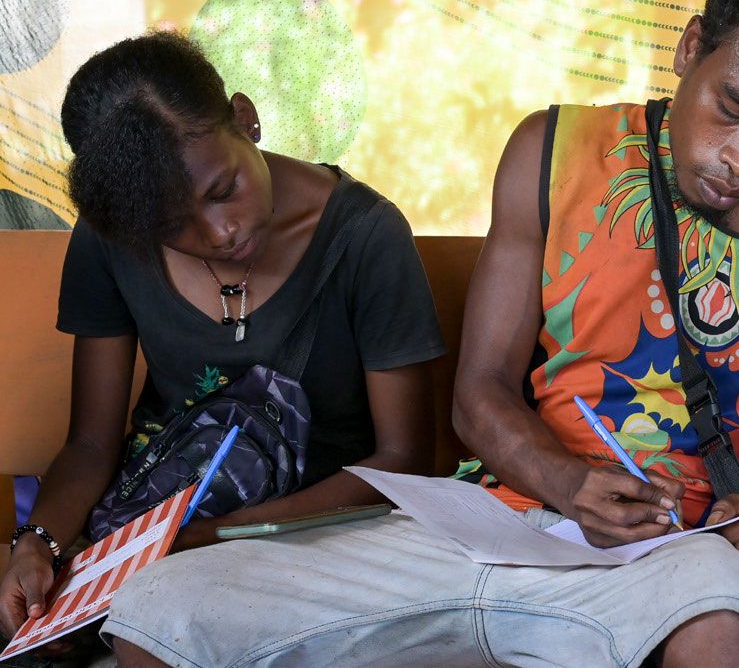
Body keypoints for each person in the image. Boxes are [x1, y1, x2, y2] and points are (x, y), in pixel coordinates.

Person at [102, 0, 739, 667]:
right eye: (731, 108)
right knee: (162, 609)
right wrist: (565, 484)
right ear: (689, 49)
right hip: (491, 527)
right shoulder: (555, 152)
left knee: (718, 631)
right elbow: (479, 394)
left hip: (684, 560)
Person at [0, 33, 444, 655]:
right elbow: (92, 441)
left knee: (161, 633)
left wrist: (224, 535)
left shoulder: (366, 236)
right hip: (160, 525)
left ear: (244, 117)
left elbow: (404, 459)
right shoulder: (111, 240)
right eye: (171, 226)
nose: (221, 232)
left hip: (319, 531)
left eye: (223, 190)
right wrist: (37, 544)